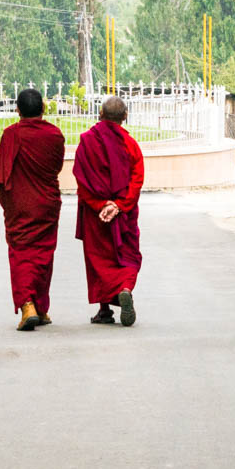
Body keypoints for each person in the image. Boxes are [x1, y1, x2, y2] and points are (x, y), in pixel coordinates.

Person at [0, 88, 65, 332]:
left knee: (22, 252)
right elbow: (56, 167)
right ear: (43, 109)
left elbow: (2, 176)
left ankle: (27, 306)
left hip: (21, 203)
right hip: (47, 202)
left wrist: (7, 200)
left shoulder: (11, 134)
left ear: (17, 110)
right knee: (44, 254)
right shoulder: (55, 134)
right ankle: (41, 308)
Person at [73, 95, 145, 326]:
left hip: (96, 214)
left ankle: (104, 310)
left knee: (99, 260)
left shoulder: (87, 141)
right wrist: (119, 205)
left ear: (100, 114)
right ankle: (124, 288)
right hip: (123, 212)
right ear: (125, 117)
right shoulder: (131, 145)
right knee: (126, 255)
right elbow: (137, 180)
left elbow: (82, 181)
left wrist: (100, 205)